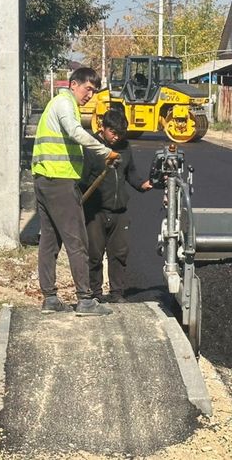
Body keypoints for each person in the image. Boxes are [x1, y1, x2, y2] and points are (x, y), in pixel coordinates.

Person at [33, 67, 118, 316]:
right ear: (73, 85)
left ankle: (49, 298)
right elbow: (75, 131)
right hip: (59, 182)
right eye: (87, 88)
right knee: (77, 240)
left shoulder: (56, 104)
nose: (90, 95)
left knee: (49, 242)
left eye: (93, 90)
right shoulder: (64, 104)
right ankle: (85, 299)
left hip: (44, 180)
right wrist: (105, 152)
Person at [80, 108, 153, 303]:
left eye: (121, 133)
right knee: (94, 254)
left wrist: (142, 184)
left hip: (119, 211)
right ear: (102, 127)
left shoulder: (125, 147)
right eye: (113, 132)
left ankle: (116, 293)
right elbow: (82, 178)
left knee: (119, 254)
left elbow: (131, 173)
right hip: (95, 211)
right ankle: (94, 294)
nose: (116, 137)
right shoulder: (91, 146)